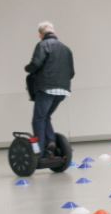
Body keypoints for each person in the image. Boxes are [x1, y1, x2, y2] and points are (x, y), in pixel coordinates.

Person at [24, 21, 74, 159]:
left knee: (38, 119)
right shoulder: (66, 49)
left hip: (46, 88)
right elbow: (71, 73)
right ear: (54, 32)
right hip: (63, 91)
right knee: (45, 116)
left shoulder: (42, 45)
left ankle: (39, 151)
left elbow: (36, 64)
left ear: (40, 34)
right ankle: (51, 142)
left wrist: (27, 68)